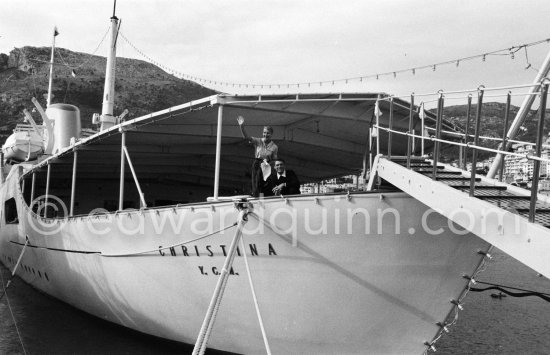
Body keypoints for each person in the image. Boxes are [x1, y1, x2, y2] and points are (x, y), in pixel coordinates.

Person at [237, 115, 278, 196]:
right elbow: (246, 137)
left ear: (271, 134)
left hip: (267, 164)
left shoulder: (274, 147)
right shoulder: (258, 141)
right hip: (257, 162)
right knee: (256, 183)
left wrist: (270, 164)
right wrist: (241, 126)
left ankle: (264, 198)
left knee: (266, 184)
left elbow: (275, 160)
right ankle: (257, 197)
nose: (265, 134)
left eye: (267, 133)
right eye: (264, 132)